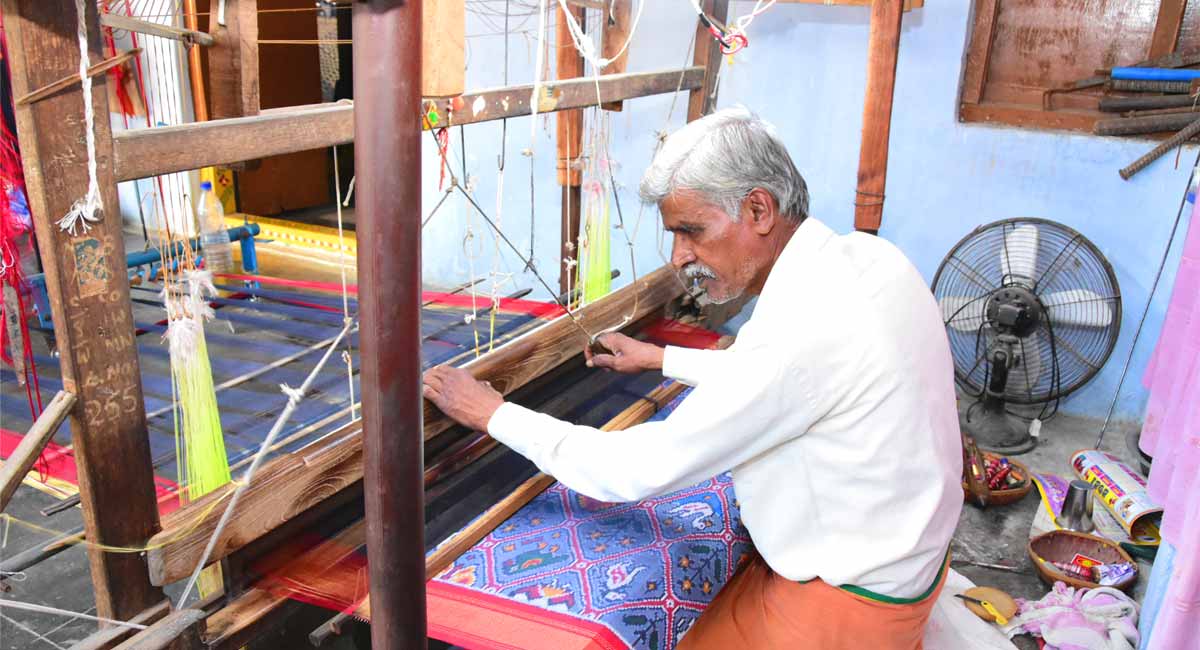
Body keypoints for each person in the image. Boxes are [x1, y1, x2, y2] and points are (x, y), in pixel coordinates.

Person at [422, 106, 962, 649]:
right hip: (904, 566)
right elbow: (797, 380)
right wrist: (661, 359)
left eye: (692, 231)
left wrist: (493, 414)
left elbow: (633, 470)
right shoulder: (868, 258)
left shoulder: (798, 334)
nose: (680, 256)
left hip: (850, 612)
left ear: (758, 210)